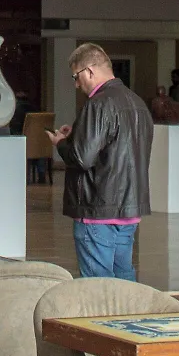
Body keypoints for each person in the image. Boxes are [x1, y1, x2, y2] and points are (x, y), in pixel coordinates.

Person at [48, 42, 153, 280]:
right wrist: (77, 135)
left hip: (98, 208)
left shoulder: (98, 104)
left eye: (76, 77)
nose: (76, 84)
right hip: (128, 207)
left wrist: (61, 144)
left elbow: (82, 158)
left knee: (97, 286)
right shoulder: (137, 103)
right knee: (124, 280)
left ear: (89, 71)